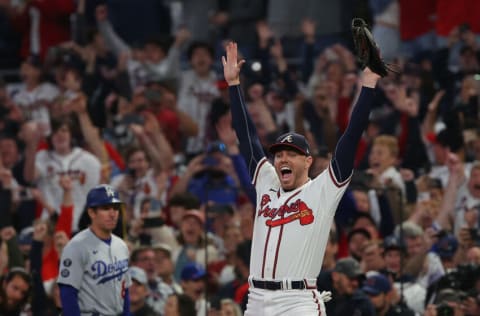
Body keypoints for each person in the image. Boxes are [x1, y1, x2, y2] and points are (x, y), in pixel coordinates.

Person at [222, 41, 381, 315]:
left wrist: (367, 85)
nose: (282, 159)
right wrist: (234, 85)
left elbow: (351, 137)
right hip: (256, 298)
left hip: (297, 300)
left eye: (291, 154)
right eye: (279, 154)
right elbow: (247, 137)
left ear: (308, 161)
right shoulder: (267, 182)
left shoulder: (323, 190)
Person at [57, 184, 131, 315]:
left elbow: (125, 290)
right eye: (105, 208)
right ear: (91, 212)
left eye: (115, 208)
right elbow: (68, 292)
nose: (112, 214)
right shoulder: (76, 246)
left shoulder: (121, 246)